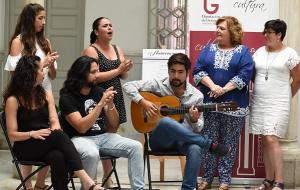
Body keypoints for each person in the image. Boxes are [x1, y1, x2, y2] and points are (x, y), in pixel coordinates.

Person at [123, 53, 230, 190]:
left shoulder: (196, 96)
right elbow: (128, 85)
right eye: (172, 71)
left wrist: (194, 119)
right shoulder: (158, 85)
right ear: (168, 71)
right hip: (159, 141)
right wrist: (143, 102)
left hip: (183, 141)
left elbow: (198, 128)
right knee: (165, 122)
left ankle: (187, 188)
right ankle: (209, 144)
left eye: (180, 72)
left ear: (187, 73)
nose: (176, 76)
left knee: (195, 148)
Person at [3, 55, 103, 190]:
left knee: (58, 156)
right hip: (25, 146)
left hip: (46, 141)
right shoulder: (13, 100)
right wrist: (33, 133)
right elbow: (12, 135)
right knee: (58, 136)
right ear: (29, 74)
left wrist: (55, 129)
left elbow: (54, 119)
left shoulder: (45, 94)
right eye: (40, 69)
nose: (43, 72)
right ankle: (87, 181)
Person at [59, 56, 144, 190]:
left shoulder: (98, 92)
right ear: (80, 74)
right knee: (91, 153)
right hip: (79, 138)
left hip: (103, 137)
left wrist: (110, 105)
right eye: (93, 72)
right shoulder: (67, 98)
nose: (97, 75)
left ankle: (138, 189)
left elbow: (114, 125)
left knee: (136, 147)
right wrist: (100, 105)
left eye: (97, 71)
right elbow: (81, 127)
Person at [192, 16, 253, 190]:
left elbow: (245, 74)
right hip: (210, 105)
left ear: (232, 31)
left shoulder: (243, 52)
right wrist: (213, 86)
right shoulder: (208, 49)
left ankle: (225, 180)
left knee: (229, 144)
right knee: (208, 142)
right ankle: (207, 178)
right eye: (217, 27)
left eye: (222, 28)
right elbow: (198, 70)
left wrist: (224, 89)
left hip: (234, 106)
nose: (217, 30)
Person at [4, 3, 59, 189]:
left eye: (44, 18)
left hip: (45, 93)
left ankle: (41, 184)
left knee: (49, 133)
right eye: (40, 18)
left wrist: (50, 66)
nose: (44, 22)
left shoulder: (46, 42)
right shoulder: (18, 42)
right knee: (30, 134)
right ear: (30, 19)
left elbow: (52, 76)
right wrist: (43, 63)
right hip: (25, 97)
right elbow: (17, 76)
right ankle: (27, 185)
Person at [82, 16, 133, 187]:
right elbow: (93, 78)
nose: (110, 28)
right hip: (98, 97)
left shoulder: (117, 48)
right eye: (105, 26)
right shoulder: (91, 51)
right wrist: (118, 69)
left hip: (115, 96)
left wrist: (125, 69)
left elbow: (123, 76)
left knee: (111, 136)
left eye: (111, 25)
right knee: (99, 136)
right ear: (97, 32)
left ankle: (107, 176)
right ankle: (95, 178)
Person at [250, 19, 300, 190]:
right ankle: (268, 180)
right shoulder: (259, 52)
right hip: (259, 100)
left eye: (269, 32)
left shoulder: (290, 54)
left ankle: (280, 181)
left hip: (278, 103)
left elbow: (298, 78)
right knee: (265, 139)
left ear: (279, 35)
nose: (265, 35)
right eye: (265, 32)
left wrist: (287, 96)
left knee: (272, 138)